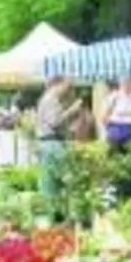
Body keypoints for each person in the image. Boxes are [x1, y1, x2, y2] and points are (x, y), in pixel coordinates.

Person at [34, 75, 82, 220]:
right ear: (58, 84)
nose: (68, 89)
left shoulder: (46, 99)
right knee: (66, 179)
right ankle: (62, 216)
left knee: (50, 183)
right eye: (67, 85)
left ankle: (51, 217)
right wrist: (72, 111)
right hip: (52, 144)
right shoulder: (50, 100)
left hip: (48, 144)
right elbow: (55, 122)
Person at [102, 76, 131, 153]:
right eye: (125, 83)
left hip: (130, 129)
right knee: (115, 152)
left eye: (130, 83)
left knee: (129, 154)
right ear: (121, 84)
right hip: (116, 129)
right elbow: (104, 115)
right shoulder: (114, 96)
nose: (128, 85)